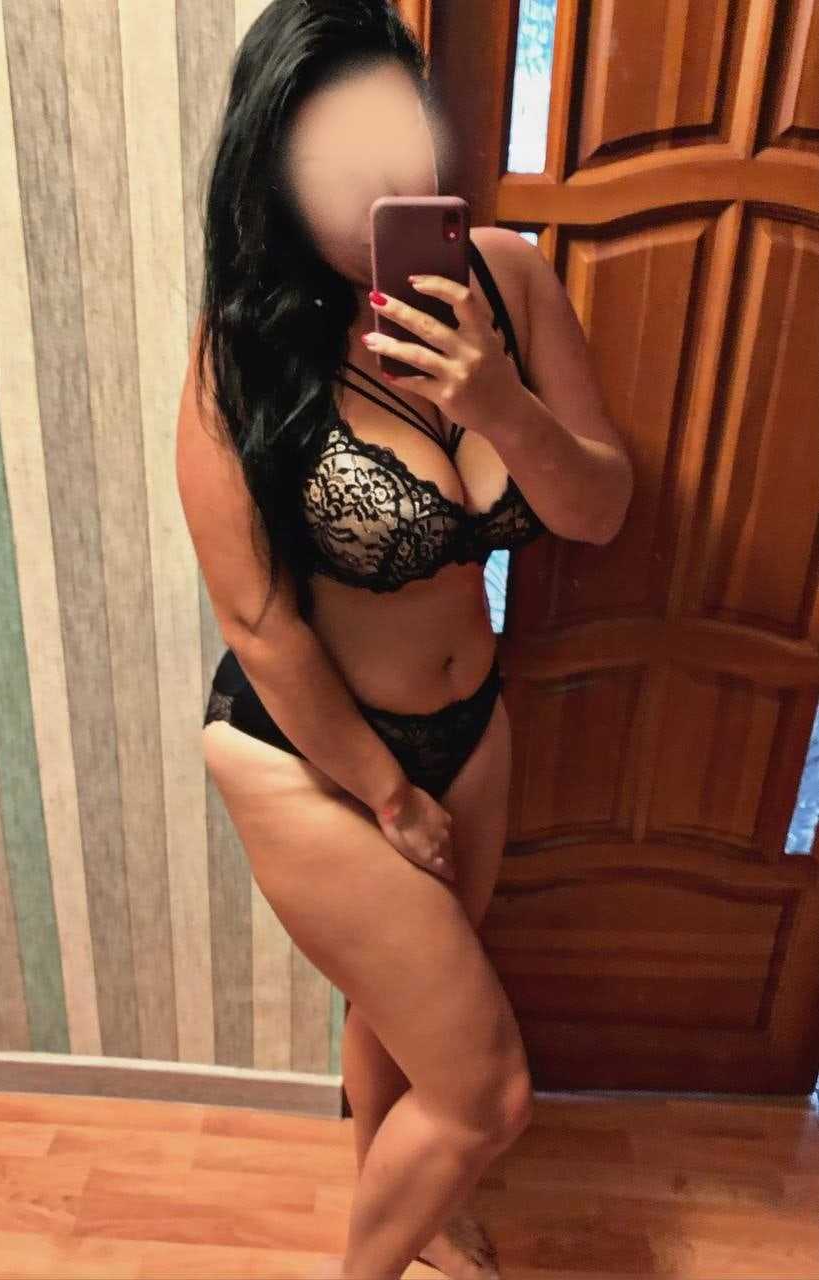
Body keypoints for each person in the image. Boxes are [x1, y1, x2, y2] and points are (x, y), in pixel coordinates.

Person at [176, 4, 632, 1277]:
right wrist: (385, 792)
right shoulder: (242, 354)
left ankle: (408, 1203)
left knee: (404, 1014)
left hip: (471, 732)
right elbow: (258, 623)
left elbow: (599, 506)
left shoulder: (509, 281)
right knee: (487, 1092)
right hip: (312, 756)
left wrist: (500, 402)